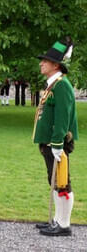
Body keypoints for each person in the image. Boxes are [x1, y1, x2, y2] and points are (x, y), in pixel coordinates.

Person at [33, 38, 78, 236]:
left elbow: (62, 116)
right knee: (53, 180)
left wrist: (58, 143)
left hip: (56, 142)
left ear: (55, 65)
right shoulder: (53, 84)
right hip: (49, 141)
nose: (41, 63)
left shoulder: (62, 86)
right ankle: (57, 220)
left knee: (62, 181)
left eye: (45, 61)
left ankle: (64, 224)